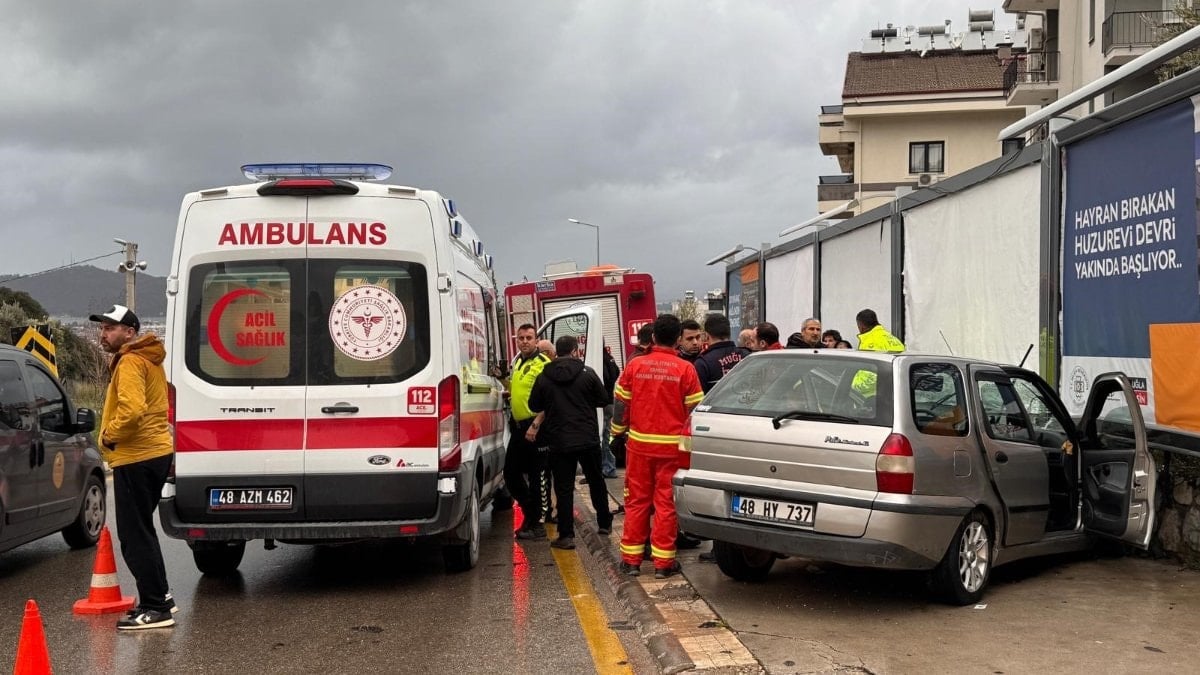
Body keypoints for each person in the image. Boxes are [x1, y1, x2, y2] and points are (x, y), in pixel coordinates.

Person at [90, 304, 176, 630]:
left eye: (110, 328)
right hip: (154, 453)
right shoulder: (148, 360)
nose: (103, 334)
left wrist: (109, 436)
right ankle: (161, 596)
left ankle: (155, 608)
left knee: (133, 535)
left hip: (135, 455)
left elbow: (132, 410)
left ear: (129, 332)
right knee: (143, 530)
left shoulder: (129, 361)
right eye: (102, 328)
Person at [611, 314, 704, 579]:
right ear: (677, 339)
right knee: (666, 505)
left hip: (639, 447)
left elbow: (621, 406)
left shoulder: (635, 365)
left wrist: (617, 433)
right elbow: (694, 411)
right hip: (672, 450)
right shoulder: (685, 369)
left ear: (652, 337)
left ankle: (631, 562)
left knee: (636, 502)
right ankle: (663, 564)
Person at [528, 335, 613, 550]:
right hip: (587, 438)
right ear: (575, 351)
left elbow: (534, 403)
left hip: (559, 441)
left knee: (564, 488)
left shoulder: (544, 376)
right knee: (596, 481)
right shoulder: (588, 373)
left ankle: (566, 535)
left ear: (557, 352)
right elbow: (604, 399)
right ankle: (604, 523)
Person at [505, 324, 552, 539]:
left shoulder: (543, 364)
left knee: (537, 476)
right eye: (521, 338)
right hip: (518, 427)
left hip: (536, 427)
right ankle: (529, 512)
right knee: (511, 473)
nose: (524, 341)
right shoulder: (518, 362)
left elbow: (550, 399)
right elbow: (519, 390)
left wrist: (536, 424)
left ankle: (538, 524)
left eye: (529, 338)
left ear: (536, 340)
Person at [694, 313, 743, 394]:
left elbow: (700, 399)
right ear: (729, 333)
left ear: (706, 335)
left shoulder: (703, 363)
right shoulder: (748, 356)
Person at [600, 344, 621, 478]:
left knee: (602, 437)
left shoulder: (601, 359)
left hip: (603, 402)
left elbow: (606, 376)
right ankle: (609, 466)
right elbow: (617, 372)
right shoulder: (609, 358)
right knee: (606, 436)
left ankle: (608, 467)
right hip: (610, 400)